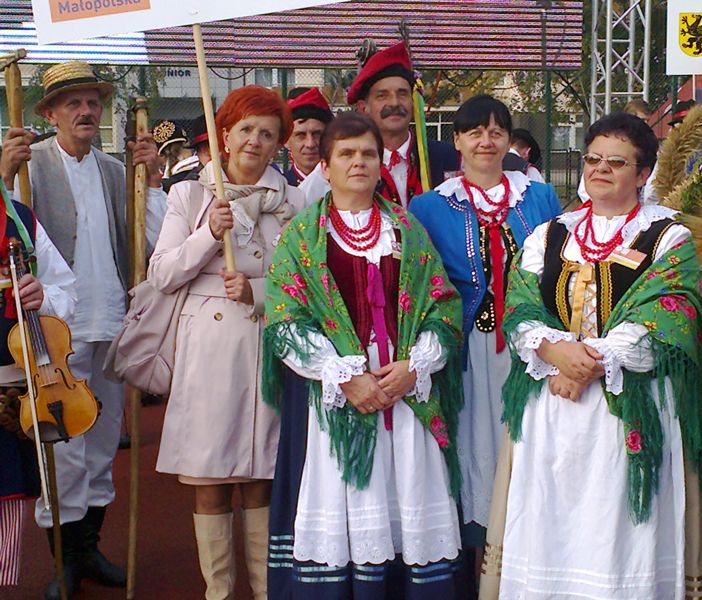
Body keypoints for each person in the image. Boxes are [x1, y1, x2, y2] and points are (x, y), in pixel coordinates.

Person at [485, 112, 702, 598]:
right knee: (550, 524)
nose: (600, 169)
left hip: (627, 406)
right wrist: (554, 351)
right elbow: (521, 304)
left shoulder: (668, 237)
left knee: (618, 532)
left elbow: (668, 313)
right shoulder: (550, 234)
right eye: (593, 159)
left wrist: (586, 362)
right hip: (553, 408)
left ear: (643, 173)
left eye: (617, 162)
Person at [263, 113, 464, 599]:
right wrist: (344, 376)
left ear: (380, 164)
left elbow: (442, 305)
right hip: (338, 400)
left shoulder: (407, 229)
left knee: (408, 509)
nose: (359, 162)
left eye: (368, 154)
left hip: (404, 395)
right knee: (346, 507)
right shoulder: (301, 237)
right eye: (346, 154)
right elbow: (285, 321)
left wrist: (415, 366)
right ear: (325, 166)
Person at [0, 60, 167, 600]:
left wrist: (151, 181)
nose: (86, 110)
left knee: (101, 441)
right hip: (56, 326)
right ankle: (65, 558)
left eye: (93, 101)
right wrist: (5, 176)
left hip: (112, 319)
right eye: (73, 102)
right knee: (62, 449)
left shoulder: (116, 170)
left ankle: (89, 547)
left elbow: (153, 240)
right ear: (49, 113)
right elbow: (10, 232)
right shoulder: (32, 166)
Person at [150, 85, 304, 600]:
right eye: (246, 130)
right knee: (211, 479)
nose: (255, 141)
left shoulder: (295, 202)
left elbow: (309, 283)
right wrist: (206, 236)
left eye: (268, 133)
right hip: (208, 355)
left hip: (269, 347)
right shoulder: (190, 196)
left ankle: (266, 591)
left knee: (262, 478)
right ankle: (218, 593)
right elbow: (162, 274)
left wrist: (259, 292)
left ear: (279, 143)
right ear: (225, 136)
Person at [409, 95, 560, 582]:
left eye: (496, 131)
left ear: (509, 140)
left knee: (526, 442)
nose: (485, 141)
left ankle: (524, 566)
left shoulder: (539, 197)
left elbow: (558, 268)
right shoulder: (429, 206)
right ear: (456, 140)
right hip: (466, 350)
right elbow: (421, 281)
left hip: (530, 347)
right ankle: (474, 571)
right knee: (472, 445)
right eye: (474, 131)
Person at [0, 179, 76, 589]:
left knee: (6, 502)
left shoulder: (22, 221)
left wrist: (43, 295)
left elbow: (67, 294)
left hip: (12, 389)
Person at [300, 41, 460, 207]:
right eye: (382, 96)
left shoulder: (449, 157)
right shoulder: (339, 166)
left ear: (413, 102)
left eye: (402, 94)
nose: (394, 103)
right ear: (363, 108)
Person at [285, 87, 333, 187]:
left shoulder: (344, 186)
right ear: (286, 141)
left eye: (317, 134)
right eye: (300, 135)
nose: (310, 144)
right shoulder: (279, 189)